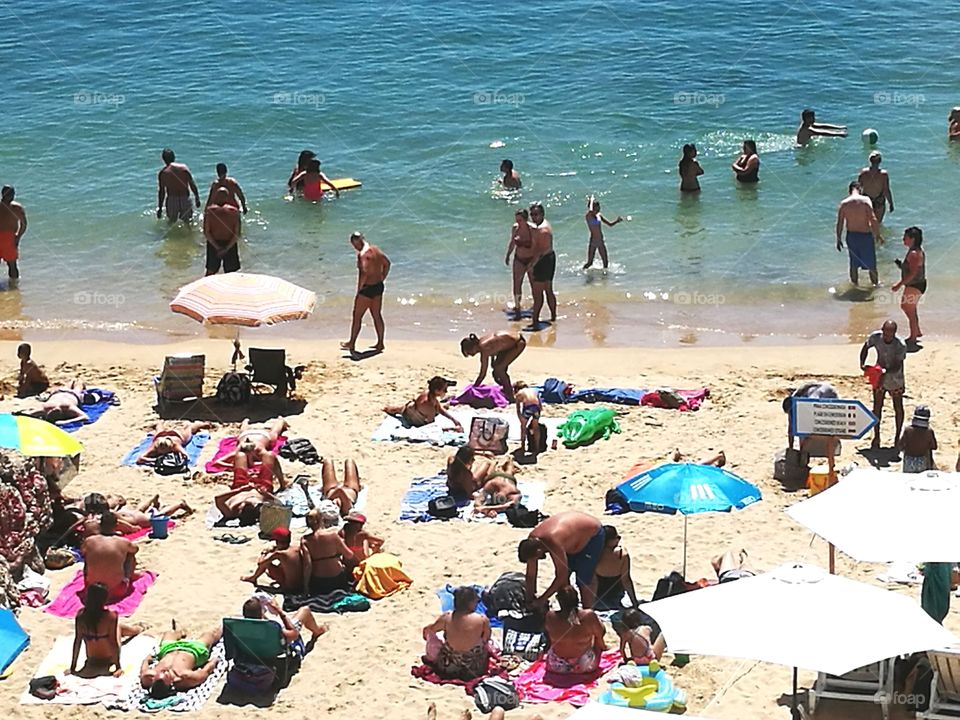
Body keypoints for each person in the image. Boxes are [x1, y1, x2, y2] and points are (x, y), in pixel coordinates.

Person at [518, 511, 605, 609]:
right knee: (564, 582)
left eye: (536, 558)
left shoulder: (552, 541)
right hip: (572, 539)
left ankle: (587, 612)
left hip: (592, 535)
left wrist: (542, 600)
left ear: (538, 551)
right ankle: (568, 609)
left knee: (583, 578)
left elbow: (560, 576)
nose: (536, 560)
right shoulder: (531, 541)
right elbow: (531, 575)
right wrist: (530, 599)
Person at [68, 582, 142, 678]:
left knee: (114, 629)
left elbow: (77, 641)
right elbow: (113, 643)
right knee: (118, 627)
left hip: (91, 659)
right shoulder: (110, 616)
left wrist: (73, 667)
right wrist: (118, 666)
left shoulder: (81, 616)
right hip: (109, 658)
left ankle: (137, 628)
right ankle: (138, 629)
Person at [422, 586, 492, 681]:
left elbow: (429, 630)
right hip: (474, 668)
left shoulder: (447, 617)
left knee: (434, 635)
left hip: (447, 666)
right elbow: (486, 639)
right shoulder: (482, 620)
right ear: (471, 603)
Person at [139, 622, 222, 698]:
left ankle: (181, 632)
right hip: (194, 650)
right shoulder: (184, 677)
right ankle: (223, 626)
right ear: (171, 683)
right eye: (166, 674)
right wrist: (213, 662)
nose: (164, 670)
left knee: (169, 633)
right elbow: (204, 673)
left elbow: (144, 667)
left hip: (169, 649)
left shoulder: (149, 676)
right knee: (210, 635)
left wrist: (147, 659)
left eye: (161, 672)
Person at [859, 320, 907, 449]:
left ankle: (897, 437)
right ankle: (876, 436)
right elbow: (865, 347)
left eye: (890, 335)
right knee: (877, 406)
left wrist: (885, 373)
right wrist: (862, 363)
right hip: (880, 376)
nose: (887, 337)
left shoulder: (900, 345)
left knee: (898, 407)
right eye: (885, 334)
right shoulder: (875, 337)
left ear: (894, 334)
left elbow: (897, 365)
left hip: (895, 379)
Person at [342, 232, 391, 356]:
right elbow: (387, 263)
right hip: (378, 286)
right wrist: (382, 277)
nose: (355, 247)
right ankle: (380, 343)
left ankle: (352, 343)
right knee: (377, 315)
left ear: (357, 241)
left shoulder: (362, 255)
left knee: (357, 316)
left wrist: (359, 290)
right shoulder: (376, 250)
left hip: (367, 288)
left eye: (354, 245)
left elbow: (363, 272)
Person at [212, 417, 289, 491]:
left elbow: (217, 462)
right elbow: (272, 459)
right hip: (252, 435)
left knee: (273, 433)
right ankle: (280, 420)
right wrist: (232, 466)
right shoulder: (241, 451)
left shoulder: (255, 450)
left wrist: (232, 466)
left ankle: (246, 421)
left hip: (256, 435)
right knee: (274, 432)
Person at [543, 585, 606, 675]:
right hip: (584, 666)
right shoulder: (588, 615)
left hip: (556, 666)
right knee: (598, 633)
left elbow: (548, 636)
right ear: (577, 599)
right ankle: (603, 647)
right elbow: (601, 632)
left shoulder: (550, 616)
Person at [82, 513, 139, 602]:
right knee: (130, 554)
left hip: (92, 590)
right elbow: (135, 549)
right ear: (116, 526)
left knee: (88, 554)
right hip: (117, 590)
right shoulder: (123, 542)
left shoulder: (89, 541)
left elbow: (83, 551)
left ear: (100, 525)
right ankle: (131, 576)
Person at [836, 181, 882, 287]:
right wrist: (878, 234)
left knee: (853, 263)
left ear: (849, 190)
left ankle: (855, 285)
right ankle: (875, 284)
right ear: (860, 189)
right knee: (871, 264)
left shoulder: (844, 203)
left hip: (851, 236)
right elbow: (873, 219)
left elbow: (840, 223)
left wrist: (838, 239)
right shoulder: (865, 200)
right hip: (865, 235)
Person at [301, 507, 355, 594]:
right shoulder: (333, 535)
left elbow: (308, 565)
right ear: (321, 519)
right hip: (337, 578)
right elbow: (349, 555)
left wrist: (305, 586)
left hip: (320, 581)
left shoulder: (305, 540)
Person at [459, 331, 526, 400]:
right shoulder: (481, 341)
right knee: (496, 370)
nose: (472, 355)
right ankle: (507, 388)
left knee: (499, 370)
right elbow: (495, 349)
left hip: (518, 343)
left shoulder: (484, 349)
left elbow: (483, 374)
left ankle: (510, 396)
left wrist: (474, 387)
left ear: (472, 347)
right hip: (510, 342)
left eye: (470, 353)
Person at [240, 595, 328, 644]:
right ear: (261, 612)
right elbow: (294, 634)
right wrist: (280, 612)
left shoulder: (240, 627)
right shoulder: (272, 627)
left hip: (257, 652)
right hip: (279, 646)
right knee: (305, 611)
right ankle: (318, 630)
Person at [383, 376, 462, 430]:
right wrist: (452, 428)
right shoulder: (429, 405)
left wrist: (453, 420)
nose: (446, 391)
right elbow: (431, 426)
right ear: (437, 391)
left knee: (397, 409)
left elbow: (439, 408)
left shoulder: (428, 393)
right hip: (412, 417)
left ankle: (390, 409)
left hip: (410, 408)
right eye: (444, 389)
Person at [590, 525, 640, 611]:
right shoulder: (622, 555)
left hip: (598, 598)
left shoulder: (594, 555)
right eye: (617, 537)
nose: (618, 540)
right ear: (610, 541)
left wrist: (590, 605)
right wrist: (634, 602)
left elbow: (593, 583)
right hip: (616, 596)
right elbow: (626, 581)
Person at [892, 226, 926, 348]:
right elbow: (911, 269)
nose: (903, 239)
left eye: (905, 237)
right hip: (917, 284)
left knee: (907, 308)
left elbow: (913, 274)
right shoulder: (915, 251)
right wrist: (901, 265)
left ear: (912, 239)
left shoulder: (914, 253)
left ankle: (913, 337)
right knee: (910, 308)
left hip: (915, 285)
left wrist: (898, 285)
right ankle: (917, 331)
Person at [240, 527, 305, 591]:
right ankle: (253, 577)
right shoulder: (296, 549)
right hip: (300, 584)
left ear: (277, 541)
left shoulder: (279, 553)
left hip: (288, 586)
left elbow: (260, 563)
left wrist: (264, 553)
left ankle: (253, 578)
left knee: (266, 563)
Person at [782, 381, 838, 450]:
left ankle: (804, 451)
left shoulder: (809, 400)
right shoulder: (797, 399)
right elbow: (791, 429)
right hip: (828, 394)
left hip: (828, 398)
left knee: (804, 428)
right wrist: (791, 448)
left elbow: (793, 429)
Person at [527, 203, 557, 329]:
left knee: (538, 293)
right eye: (532, 215)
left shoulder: (543, 230)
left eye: (536, 214)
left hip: (543, 260)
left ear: (542, 214)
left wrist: (532, 264)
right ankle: (553, 316)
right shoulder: (544, 224)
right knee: (548, 290)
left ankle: (535, 321)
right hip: (549, 258)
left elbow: (542, 251)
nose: (534, 217)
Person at [446, 446, 515, 497]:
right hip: (472, 485)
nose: (474, 460)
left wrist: (482, 453)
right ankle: (495, 464)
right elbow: (469, 493)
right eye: (472, 459)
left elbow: (463, 454)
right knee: (487, 467)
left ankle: (496, 465)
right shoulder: (466, 473)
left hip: (453, 486)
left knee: (483, 465)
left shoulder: (451, 460)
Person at [203, 187, 241, 275]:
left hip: (214, 244)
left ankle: (207, 288)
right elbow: (237, 233)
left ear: (216, 197)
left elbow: (207, 232)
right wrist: (226, 249)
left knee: (210, 273)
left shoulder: (210, 211)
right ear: (227, 198)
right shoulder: (234, 211)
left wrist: (217, 248)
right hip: (230, 244)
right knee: (231, 274)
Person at [135, 421, 212, 465]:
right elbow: (139, 459)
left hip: (176, 435)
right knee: (159, 430)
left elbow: (185, 455)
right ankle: (159, 424)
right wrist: (154, 461)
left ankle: (201, 424)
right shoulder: (155, 446)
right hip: (161, 436)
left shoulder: (174, 445)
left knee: (190, 429)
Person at [505, 208, 535, 318]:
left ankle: (535, 307)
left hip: (531, 259)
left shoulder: (532, 229)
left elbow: (537, 246)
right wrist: (508, 254)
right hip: (519, 259)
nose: (518, 222)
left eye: (520, 220)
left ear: (526, 219)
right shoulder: (515, 228)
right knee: (517, 284)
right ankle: (517, 307)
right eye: (516, 219)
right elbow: (512, 242)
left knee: (533, 284)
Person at [156, 149, 201, 223]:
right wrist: (197, 197)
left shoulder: (163, 173)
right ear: (174, 157)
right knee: (189, 223)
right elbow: (192, 184)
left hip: (172, 200)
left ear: (163, 159)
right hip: (185, 198)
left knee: (171, 223)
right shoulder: (183, 168)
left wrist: (160, 208)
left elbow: (162, 192)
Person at [583, 197, 623, 270]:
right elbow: (590, 209)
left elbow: (609, 224)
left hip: (601, 241)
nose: (598, 210)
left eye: (599, 209)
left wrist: (617, 221)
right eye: (597, 209)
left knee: (605, 262)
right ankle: (584, 274)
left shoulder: (599, 216)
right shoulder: (588, 216)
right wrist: (591, 200)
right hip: (593, 241)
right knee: (590, 263)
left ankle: (604, 279)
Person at [898, 406, 937, 473]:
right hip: (922, 461)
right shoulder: (929, 432)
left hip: (909, 460)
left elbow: (900, 445)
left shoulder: (908, 430)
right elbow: (934, 446)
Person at [858, 151, 894, 223]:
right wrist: (891, 203)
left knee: (866, 223)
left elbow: (858, 188)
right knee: (877, 224)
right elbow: (886, 190)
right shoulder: (883, 174)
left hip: (866, 200)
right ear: (880, 161)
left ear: (870, 160)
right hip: (879, 201)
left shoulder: (863, 172)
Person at [0, 185, 26, 279]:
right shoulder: (17, 208)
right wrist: (17, 237)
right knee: (12, 265)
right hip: (9, 238)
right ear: (12, 195)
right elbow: (24, 225)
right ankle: (14, 288)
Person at [514, 381, 542, 456]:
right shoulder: (534, 391)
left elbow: (518, 408)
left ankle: (523, 447)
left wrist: (520, 418)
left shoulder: (519, 393)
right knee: (536, 428)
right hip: (536, 408)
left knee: (523, 428)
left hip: (528, 408)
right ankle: (537, 448)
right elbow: (540, 404)